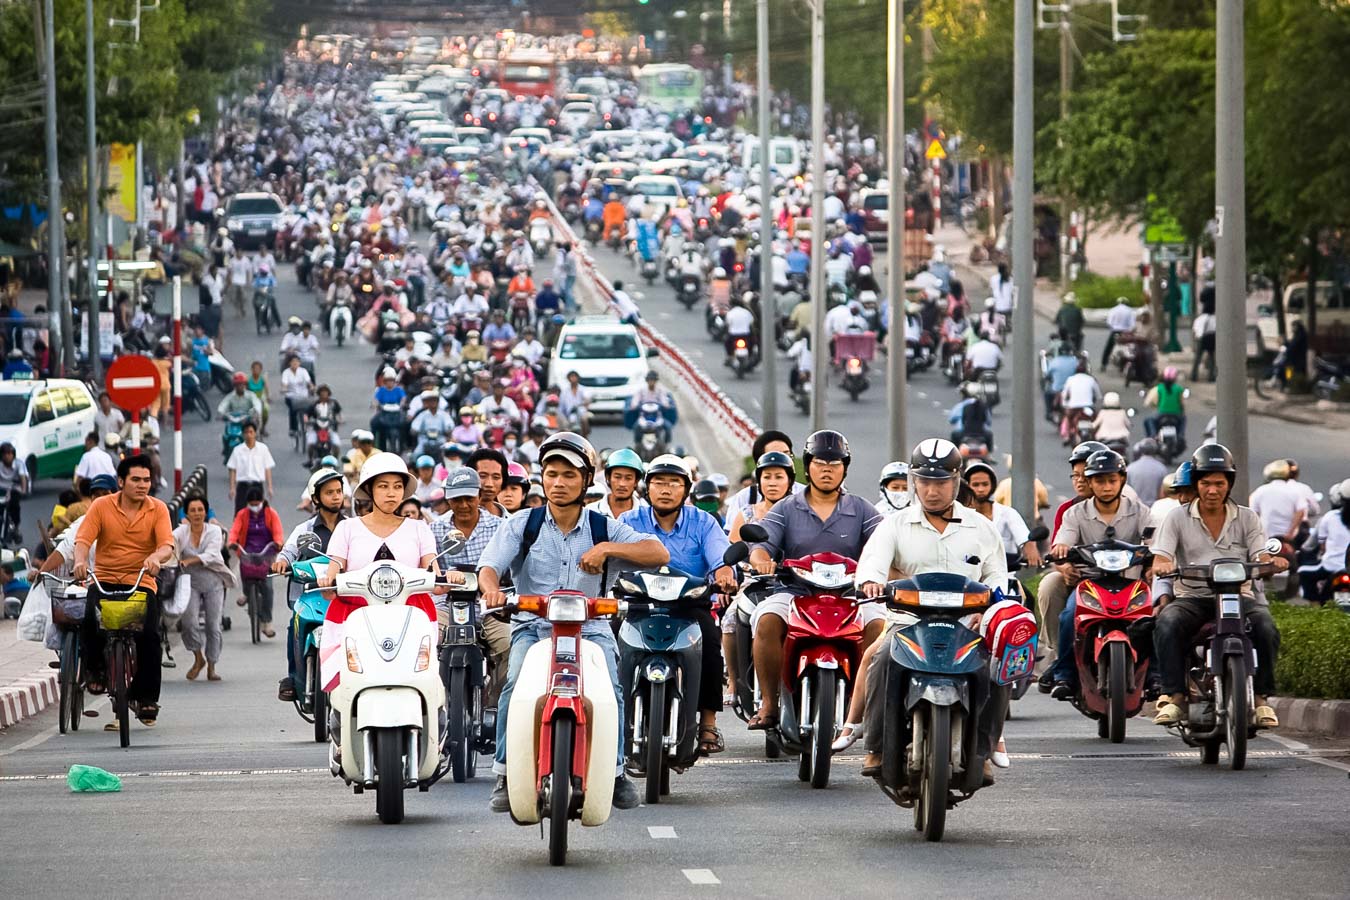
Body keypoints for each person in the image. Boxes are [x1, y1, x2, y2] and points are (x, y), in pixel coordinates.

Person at [479, 432, 670, 812]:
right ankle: (504, 772)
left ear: (585, 481)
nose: (559, 483)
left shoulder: (603, 527)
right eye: (552, 474)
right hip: (533, 627)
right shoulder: (523, 524)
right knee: (514, 685)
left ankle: (616, 773)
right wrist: (492, 592)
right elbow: (489, 567)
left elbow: (658, 552)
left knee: (611, 691)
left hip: (591, 631)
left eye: (569, 475)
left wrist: (607, 549)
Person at [849, 439, 1008, 782]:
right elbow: (873, 562)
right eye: (924, 482)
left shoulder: (981, 527)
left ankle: (984, 748)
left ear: (956, 480)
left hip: (967, 625)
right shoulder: (895, 524)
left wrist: (992, 606)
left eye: (941, 482)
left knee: (994, 664)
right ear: (914, 482)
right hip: (907, 623)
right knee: (883, 659)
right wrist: (872, 583)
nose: (932, 491)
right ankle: (876, 747)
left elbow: (997, 575)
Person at [745, 430, 885, 730]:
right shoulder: (786, 507)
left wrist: (883, 574)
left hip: (852, 596)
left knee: (879, 625)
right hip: (794, 592)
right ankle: (769, 703)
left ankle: (868, 706)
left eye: (835, 464)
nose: (827, 470)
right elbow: (761, 545)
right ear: (807, 466)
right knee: (766, 620)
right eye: (820, 463)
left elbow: (885, 545)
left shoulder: (861, 508)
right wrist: (761, 561)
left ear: (844, 468)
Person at [1150, 444, 1284, 729]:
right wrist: (1162, 564)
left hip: (1238, 595)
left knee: (1266, 627)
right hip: (1192, 597)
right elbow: (1161, 556)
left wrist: (1271, 562)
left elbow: (1261, 555)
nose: (1212, 490)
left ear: (1229, 484)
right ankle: (1174, 696)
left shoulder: (1247, 517)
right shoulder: (1176, 518)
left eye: (1219, 484)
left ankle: (1262, 700)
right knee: (1167, 622)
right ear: (1196, 484)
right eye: (1206, 483)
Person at [620, 455, 738, 756]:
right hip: (638, 605)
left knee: (710, 641)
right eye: (658, 482)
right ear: (647, 487)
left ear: (686, 489)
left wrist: (725, 572)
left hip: (689, 606)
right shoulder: (628, 521)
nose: (665, 489)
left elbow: (720, 556)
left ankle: (708, 723)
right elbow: (612, 555)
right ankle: (613, 718)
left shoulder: (703, 522)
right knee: (608, 644)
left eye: (674, 483)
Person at [73, 455, 175, 727]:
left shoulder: (158, 509)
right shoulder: (101, 506)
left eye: (147, 480)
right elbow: (83, 539)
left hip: (141, 581)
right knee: (90, 619)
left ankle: (146, 698)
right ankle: (95, 670)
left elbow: (166, 545)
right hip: (104, 579)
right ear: (121, 481)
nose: (142, 485)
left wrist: (156, 557)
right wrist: (80, 562)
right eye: (136, 480)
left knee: (150, 635)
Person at [1046, 450, 1150, 698]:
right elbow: (1064, 538)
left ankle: (1155, 676)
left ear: (1122, 480)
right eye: (1100, 481)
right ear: (1090, 483)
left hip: (1130, 583)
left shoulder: (1140, 511)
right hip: (1090, 585)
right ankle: (1064, 674)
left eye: (1112, 480)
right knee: (1069, 616)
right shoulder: (1075, 513)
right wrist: (1062, 548)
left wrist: (1157, 557)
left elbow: (1154, 539)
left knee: (1152, 620)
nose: (1106, 487)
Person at [432, 466, 508, 705]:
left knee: (510, 644)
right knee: (424, 639)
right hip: (446, 605)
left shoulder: (500, 527)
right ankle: (435, 702)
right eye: (457, 499)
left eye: (469, 498)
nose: (463, 505)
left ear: (479, 496)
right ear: (447, 499)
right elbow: (428, 568)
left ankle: (496, 703)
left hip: (489, 606)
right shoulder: (435, 529)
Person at [272, 468, 349, 702]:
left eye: (338, 491)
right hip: (312, 595)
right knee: (294, 626)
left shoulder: (352, 527)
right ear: (316, 498)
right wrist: (282, 562)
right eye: (329, 492)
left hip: (347, 596)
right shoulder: (304, 530)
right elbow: (288, 551)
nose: (336, 496)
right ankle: (293, 677)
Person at [1035, 441, 1102, 688]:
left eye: (1086, 475)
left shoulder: (1128, 507)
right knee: (1049, 585)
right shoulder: (1068, 510)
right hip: (1078, 579)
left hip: (1117, 578)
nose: (1080, 481)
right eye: (1075, 475)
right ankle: (1059, 654)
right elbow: (1058, 549)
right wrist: (1064, 568)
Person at [174, 494, 235, 682]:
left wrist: (189, 560)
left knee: (213, 625)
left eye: (200, 510)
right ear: (186, 513)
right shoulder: (180, 532)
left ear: (206, 512)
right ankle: (198, 657)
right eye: (192, 510)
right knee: (189, 622)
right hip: (190, 582)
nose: (197, 514)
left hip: (213, 582)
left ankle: (212, 665)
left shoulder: (215, 531)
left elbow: (212, 555)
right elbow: (169, 546)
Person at [227, 486, 284, 638]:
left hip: (266, 553)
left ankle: (267, 622)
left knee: (268, 588)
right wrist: (232, 542)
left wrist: (278, 542)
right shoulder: (242, 514)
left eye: (256, 504)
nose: (254, 506)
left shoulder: (271, 514)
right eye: (251, 504)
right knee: (245, 571)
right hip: (248, 551)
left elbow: (278, 532)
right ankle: (247, 593)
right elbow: (235, 530)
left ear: (262, 501)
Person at [1300, 478, 1350, 603]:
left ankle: (1315, 606)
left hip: (1330, 566)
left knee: (1303, 572)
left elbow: (1322, 547)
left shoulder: (1329, 517)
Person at [226, 420, 275, 513]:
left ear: (255, 433)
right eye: (246, 432)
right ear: (243, 434)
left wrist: (269, 487)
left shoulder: (263, 449)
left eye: (251, 432)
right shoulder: (237, 450)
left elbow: (267, 468)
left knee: (258, 512)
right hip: (243, 486)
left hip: (257, 485)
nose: (249, 435)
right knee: (240, 511)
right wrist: (232, 488)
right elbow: (232, 469)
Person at [588, 448, 646, 518]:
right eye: (617, 477)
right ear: (608, 478)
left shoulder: (647, 515)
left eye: (628, 478)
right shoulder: (590, 511)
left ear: (636, 481)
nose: (622, 484)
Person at [626, 371, 677, 445]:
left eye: (653, 380)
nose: (651, 382)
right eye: (650, 380)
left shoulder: (660, 391)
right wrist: (634, 405)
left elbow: (664, 401)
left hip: (657, 416)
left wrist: (666, 405)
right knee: (636, 427)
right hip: (644, 416)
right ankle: (637, 445)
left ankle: (665, 445)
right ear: (647, 381)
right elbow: (635, 401)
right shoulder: (641, 391)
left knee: (668, 427)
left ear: (656, 381)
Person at [1143, 367, 1187, 443]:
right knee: (1183, 419)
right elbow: (1182, 403)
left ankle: (1153, 436)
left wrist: (1155, 405)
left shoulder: (1159, 388)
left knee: (1148, 420)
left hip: (1161, 414)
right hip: (1176, 415)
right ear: (1175, 378)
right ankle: (1180, 435)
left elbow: (1148, 402)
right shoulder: (1179, 389)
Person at [466, 447, 510, 518]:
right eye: (482, 476)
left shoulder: (512, 521)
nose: (489, 484)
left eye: (496, 477)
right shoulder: (449, 520)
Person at [1043, 342, 1081, 421]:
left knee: (1047, 392)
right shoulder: (1075, 361)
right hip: (1072, 390)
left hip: (1056, 390)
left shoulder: (1054, 361)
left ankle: (1049, 412)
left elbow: (1047, 375)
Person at [1126, 438, 1169, 506]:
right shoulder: (1161, 468)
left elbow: (1126, 491)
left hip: (1136, 506)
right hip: (1154, 507)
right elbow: (1163, 494)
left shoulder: (1130, 468)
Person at [280, 354, 313, 437]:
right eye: (293, 361)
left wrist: (311, 387)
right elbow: (284, 384)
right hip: (291, 396)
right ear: (289, 363)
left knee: (310, 408)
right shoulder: (286, 372)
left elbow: (309, 382)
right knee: (292, 409)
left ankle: (308, 424)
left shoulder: (303, 371)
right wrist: (284, 389)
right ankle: (293, 429)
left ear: (299, 363)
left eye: (296, 361)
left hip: (303, 396)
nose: (295, 363)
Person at [1102, 295, 1137, 369]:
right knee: (1129, 348)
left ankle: (1103, 364)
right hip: (1125, 332)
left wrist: (1113, 327)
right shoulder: (1130, 310)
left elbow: (1109, 322)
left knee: (1108, 347)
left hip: (1115, 331)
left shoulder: (1113, 310)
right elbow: (1132, 324)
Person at [0, 441, 27, 533]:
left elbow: (23, 478)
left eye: (9, 453)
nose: (7, 456)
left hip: (14, 488)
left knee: (15, 506)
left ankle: (16, 527)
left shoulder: (19, 464)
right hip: (1, 489)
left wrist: (23, 490)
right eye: (4, 454)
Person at [558, 370, 592, 437]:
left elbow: (587, 399)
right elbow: (561, 405)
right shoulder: (565, 391)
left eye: (574, 377)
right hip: (568, 413)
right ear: (568, 379)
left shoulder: (582, 389)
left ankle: (585, 436)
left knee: (584, 419)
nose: (573, 379)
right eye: (571, 377)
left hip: (580, 411)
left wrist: (584, 403)